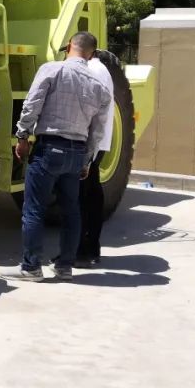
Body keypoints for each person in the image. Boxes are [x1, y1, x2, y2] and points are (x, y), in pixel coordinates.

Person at [1, 31, 111, 282]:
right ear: (92, 54)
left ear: (70, 46)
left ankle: (31, 267)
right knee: (71, 211)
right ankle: (64, 267)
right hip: (76, 152)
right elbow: (98, 130)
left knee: (34, 209)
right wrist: (87, 160)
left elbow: (32, 103)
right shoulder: (99, 87)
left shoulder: (52, 70)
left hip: (49, 148)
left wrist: (22, 136)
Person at [76, 49, 118, 267]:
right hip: (97, 141)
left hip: (89, 143)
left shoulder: (92, 70)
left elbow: (89, 108)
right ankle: (88, 249)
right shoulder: (101, 70)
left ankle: (84, 251)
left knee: (82, 199)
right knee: (91, 194)